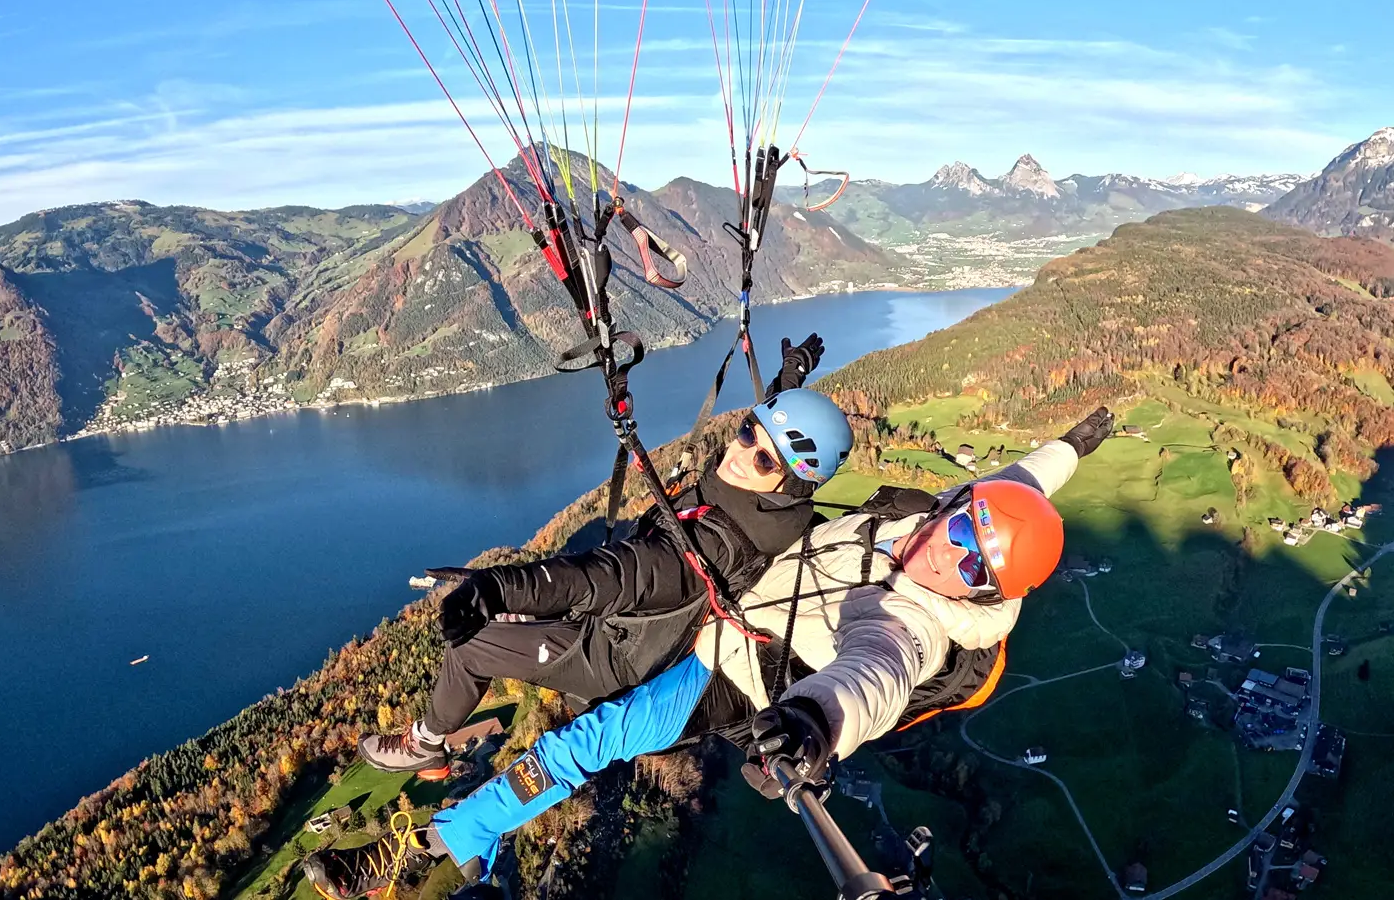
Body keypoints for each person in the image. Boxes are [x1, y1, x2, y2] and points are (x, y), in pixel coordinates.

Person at [303, 408, 1116, 897]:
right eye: (964, 524)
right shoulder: (944, 517)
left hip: (733, 672)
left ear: (982, 593)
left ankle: (421, 847)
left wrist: (810, 722)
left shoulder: (913, 618)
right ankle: (447, 823)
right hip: (723, 612)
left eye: (974, 564)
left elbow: (877, 672)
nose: (952, 549)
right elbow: (1024, 478)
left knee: (585, 741)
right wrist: (1078, 441)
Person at [350, 335, 851, 784]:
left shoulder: (712, 547)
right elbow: (776, 446)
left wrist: (498, 587)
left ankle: (426, 744)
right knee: (512, 617)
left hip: (613, 654)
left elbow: (608, 576)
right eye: (746, 431)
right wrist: (791, 378)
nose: (739, 453)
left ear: (793, 483)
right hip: (626, 626)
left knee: (470, 649)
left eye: (763, 457)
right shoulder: (770, 509)